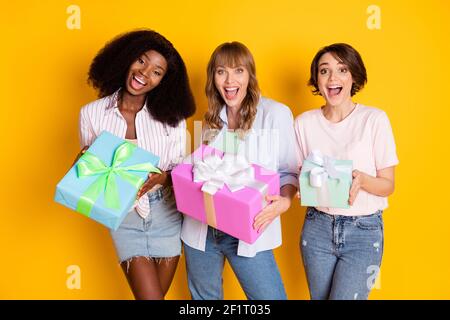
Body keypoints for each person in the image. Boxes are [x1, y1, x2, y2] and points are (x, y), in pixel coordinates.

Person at [77, 29, 195, 299]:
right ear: (126, 58)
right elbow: (92, 178)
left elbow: (181, 170)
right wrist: (83, 165)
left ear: (164, 81)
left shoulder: (173, 118)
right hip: (123, 214)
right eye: (142, 61)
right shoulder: (91, 114)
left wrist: (163, 178)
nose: (145, 73)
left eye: (157, 71)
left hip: (167, 211)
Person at [181, 41, 298, 300]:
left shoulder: (275, 114)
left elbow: (289, 171)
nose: (230, 80)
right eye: (221, 71)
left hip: (249, 228)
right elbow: (199, 173)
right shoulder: (210, 120)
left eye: (238, 71)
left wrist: (285, 202)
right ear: (213, 77)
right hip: (202, 230)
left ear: (250, 76)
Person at [295, 43, 398, 300]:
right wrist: (300, 185)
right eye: (324, 71)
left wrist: (361, 180)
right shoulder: (304, 123)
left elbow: (388, 185)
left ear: (353, 76)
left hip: (363, 230)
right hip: (317, 228)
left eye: (342, 70)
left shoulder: (374, 120)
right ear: (317, 80)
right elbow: (295, 177)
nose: (333, 78)